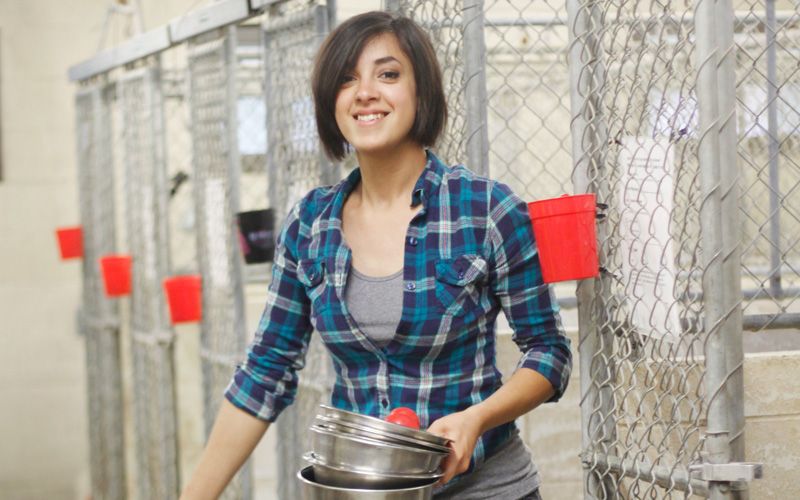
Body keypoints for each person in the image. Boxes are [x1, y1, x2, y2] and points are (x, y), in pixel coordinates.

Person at [180, 10, 571, 500]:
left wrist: (479, 417)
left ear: (421, 92)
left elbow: (549, 351)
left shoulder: (486, 209)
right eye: (347, 79)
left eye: (387, 74)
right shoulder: (311, 224)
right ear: (331, 103)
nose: (366, 92)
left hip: (487, 488)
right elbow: (266, 372)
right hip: (363, 490)